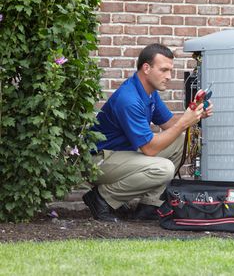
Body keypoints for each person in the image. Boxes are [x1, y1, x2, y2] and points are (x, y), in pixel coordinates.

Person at [83, 43, 213, 222]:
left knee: (180, 140)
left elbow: (169, 125)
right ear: (146, 68)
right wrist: (184, 122)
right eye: (164, 70)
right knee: (163, 168)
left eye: (170, 71)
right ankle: (102, 198)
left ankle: (149, 206)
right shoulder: (129, 99)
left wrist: (196, 114)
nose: (169, 76)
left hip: (121, 154)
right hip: (98, 161)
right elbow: (150, 149)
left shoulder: (149, 93)